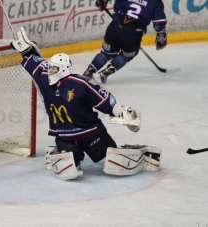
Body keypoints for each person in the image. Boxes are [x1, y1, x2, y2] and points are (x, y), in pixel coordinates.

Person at [10, 27, 162, 180]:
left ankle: (142, 155)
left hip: (90, 132)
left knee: (111, 156)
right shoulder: (44, 77)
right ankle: (63, 151)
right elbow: (36, 64)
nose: (50, 71)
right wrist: (25, 51)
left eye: (54, 68)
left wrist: (120, 111)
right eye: (51, 67)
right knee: (68, 166)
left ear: (63, 69)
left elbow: (102, 98)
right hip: (65, 136)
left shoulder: (79, 83)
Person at [83, 0, 167, 84]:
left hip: (114, 27)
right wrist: (161, 37)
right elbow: (159, 24)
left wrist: (102, 2)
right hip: (133, 34)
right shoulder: (156, 2)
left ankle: (87, 73)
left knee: (105, 54)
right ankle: (104, 73)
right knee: (127, 55)